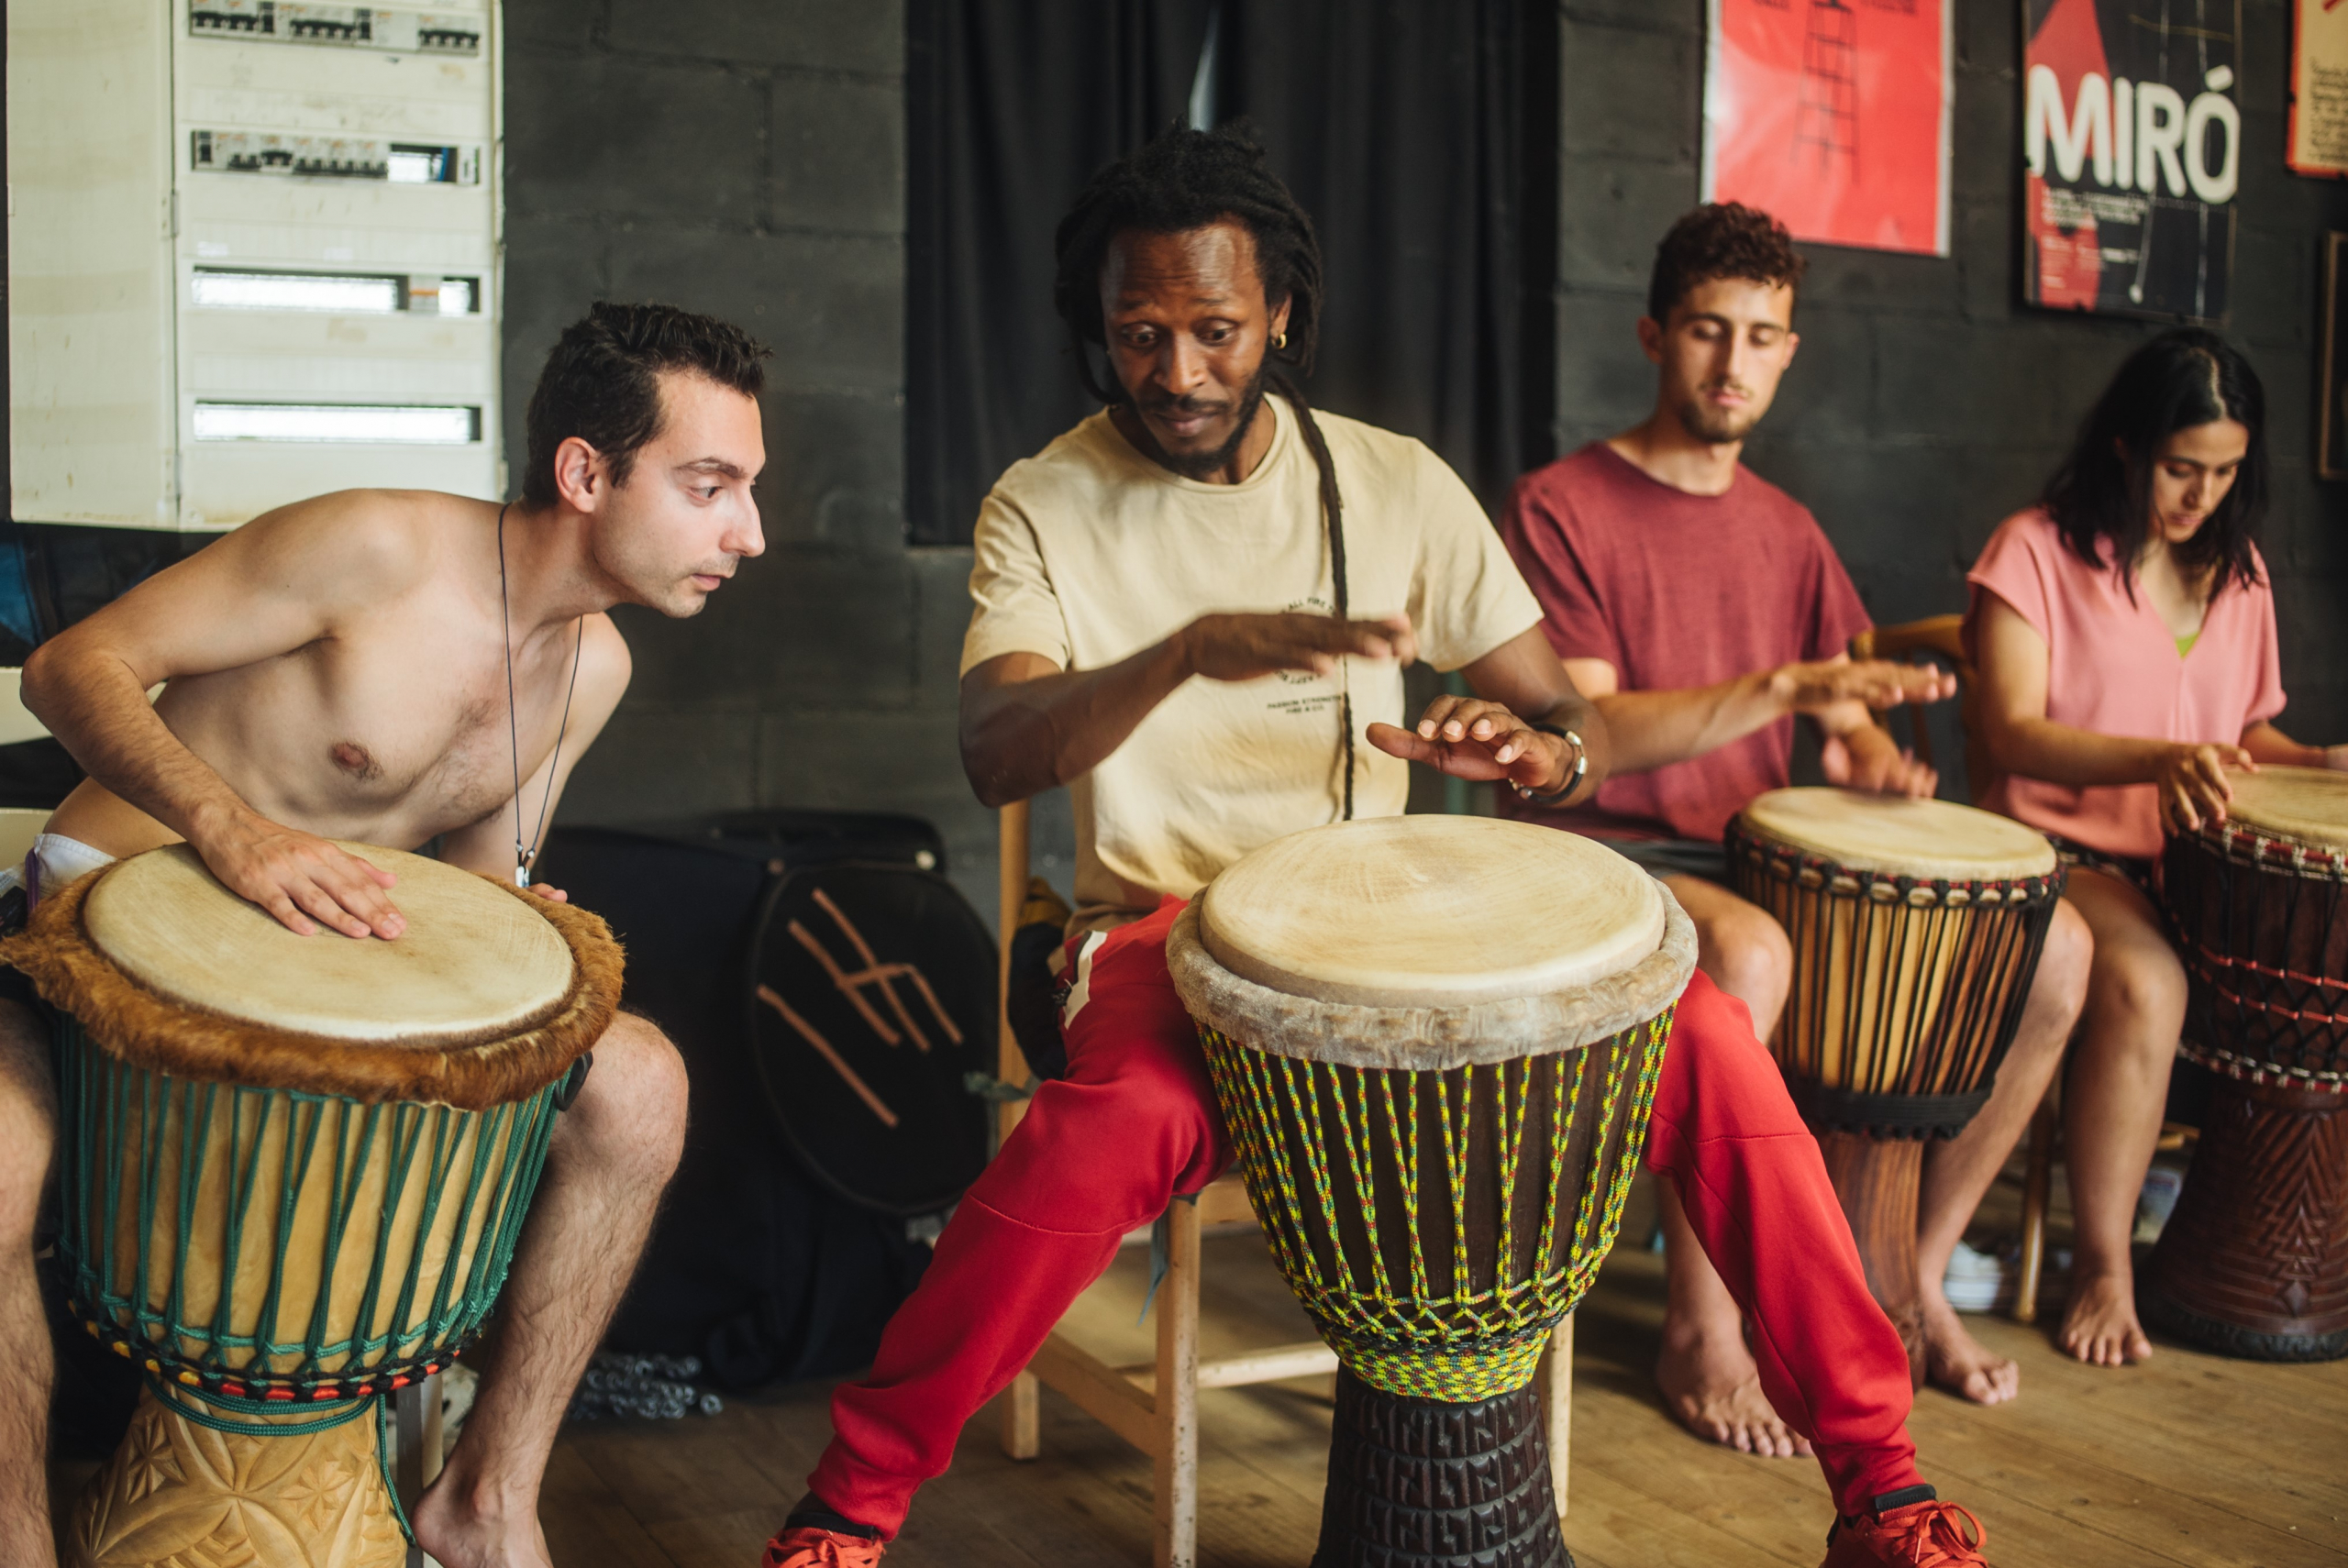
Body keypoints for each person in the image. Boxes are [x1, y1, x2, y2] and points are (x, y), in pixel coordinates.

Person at [764, 128, 1991, 1568]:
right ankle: (852, 1502)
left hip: (1397, 946)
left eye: (1215, 330)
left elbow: (1561, 719)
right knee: (1112, 1129)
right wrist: (1189, 651)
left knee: (1709, 1045)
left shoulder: (1393, 483)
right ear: (1096, 326)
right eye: (1137, 333)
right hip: (1165, 936)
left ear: (1280, 313)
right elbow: (998, 747)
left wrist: (1536, 753)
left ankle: (1883, 1486)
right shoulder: (1044, 500)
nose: (1176, 372)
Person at [0, 302, 766, 1568]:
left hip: (313, 970)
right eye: (709, 485)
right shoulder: (375, 545)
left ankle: (485, 1500)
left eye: (746, 489)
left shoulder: (595, 670)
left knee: (643, 1086)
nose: (747, 530)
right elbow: (72, 666)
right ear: (586, 472)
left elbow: (479, 883)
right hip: (95, 932)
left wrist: (515, 927)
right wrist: (231, 827)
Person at [1498, 203, 2093, 1434]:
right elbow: (1594, 740)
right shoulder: (1563, 505)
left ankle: (1915, 1272)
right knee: (1755, 953)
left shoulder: (1789, 529)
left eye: (1761, 337)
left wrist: (1879, 761)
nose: (1732, 363)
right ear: (1655, 335)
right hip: (1605, 856)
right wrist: (1781, 692)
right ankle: (1700, 1327)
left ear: (1790, 351)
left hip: (1756, 853)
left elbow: (1845, 719)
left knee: (2062, 956)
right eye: (1708, 331)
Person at [1966, 326, 2345, 1368]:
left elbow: (2247, 732)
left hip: (2190, 871)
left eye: (2224, 473)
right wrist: (2160, 758)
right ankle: (2105, 1266)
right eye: (2183, 468)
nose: (2202, 495)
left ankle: (2263, 1255)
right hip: (2050, 850)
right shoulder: (2032, 551)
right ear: (2128, 446)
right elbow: (2009, 731)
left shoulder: (2239, 574)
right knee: (2148, 984)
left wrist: (2314, 757)